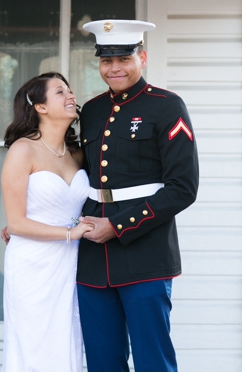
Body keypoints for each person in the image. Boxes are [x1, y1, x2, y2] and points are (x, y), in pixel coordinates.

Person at [76, 19, 198, 371]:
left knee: (152, 362)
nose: (114, 68)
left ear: (142, 58)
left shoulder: (167, 106)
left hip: (146, 252)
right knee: (102, 363)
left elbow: (183, 188)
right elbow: (80, 177)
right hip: (93, 260)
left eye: (124, 59)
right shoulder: (93, 110)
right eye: (106, 61)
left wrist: (116, 226)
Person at [0, 72, 94, 371]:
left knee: (66, 343)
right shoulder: (23, 150)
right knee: (33, 346)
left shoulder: (78, 154)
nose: (71, 96)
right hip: (32, 263)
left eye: (70, 90)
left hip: (72, 264)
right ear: (40, 107)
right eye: (59, 92)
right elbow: (15, 223)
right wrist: (72, 233)